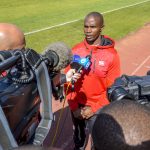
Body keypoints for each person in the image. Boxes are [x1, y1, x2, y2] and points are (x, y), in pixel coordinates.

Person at [64, 11, 121, 150]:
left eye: (93, 27)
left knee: (98, 144)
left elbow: (112, 88)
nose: (88, 31)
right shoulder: (75, 51)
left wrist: (93, 109)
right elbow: (68, 83)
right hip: (77, 106)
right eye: (85, 26)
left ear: (102, 27)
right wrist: (74, 107)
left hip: (98, 110)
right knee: (79, 140)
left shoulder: (111, 56)